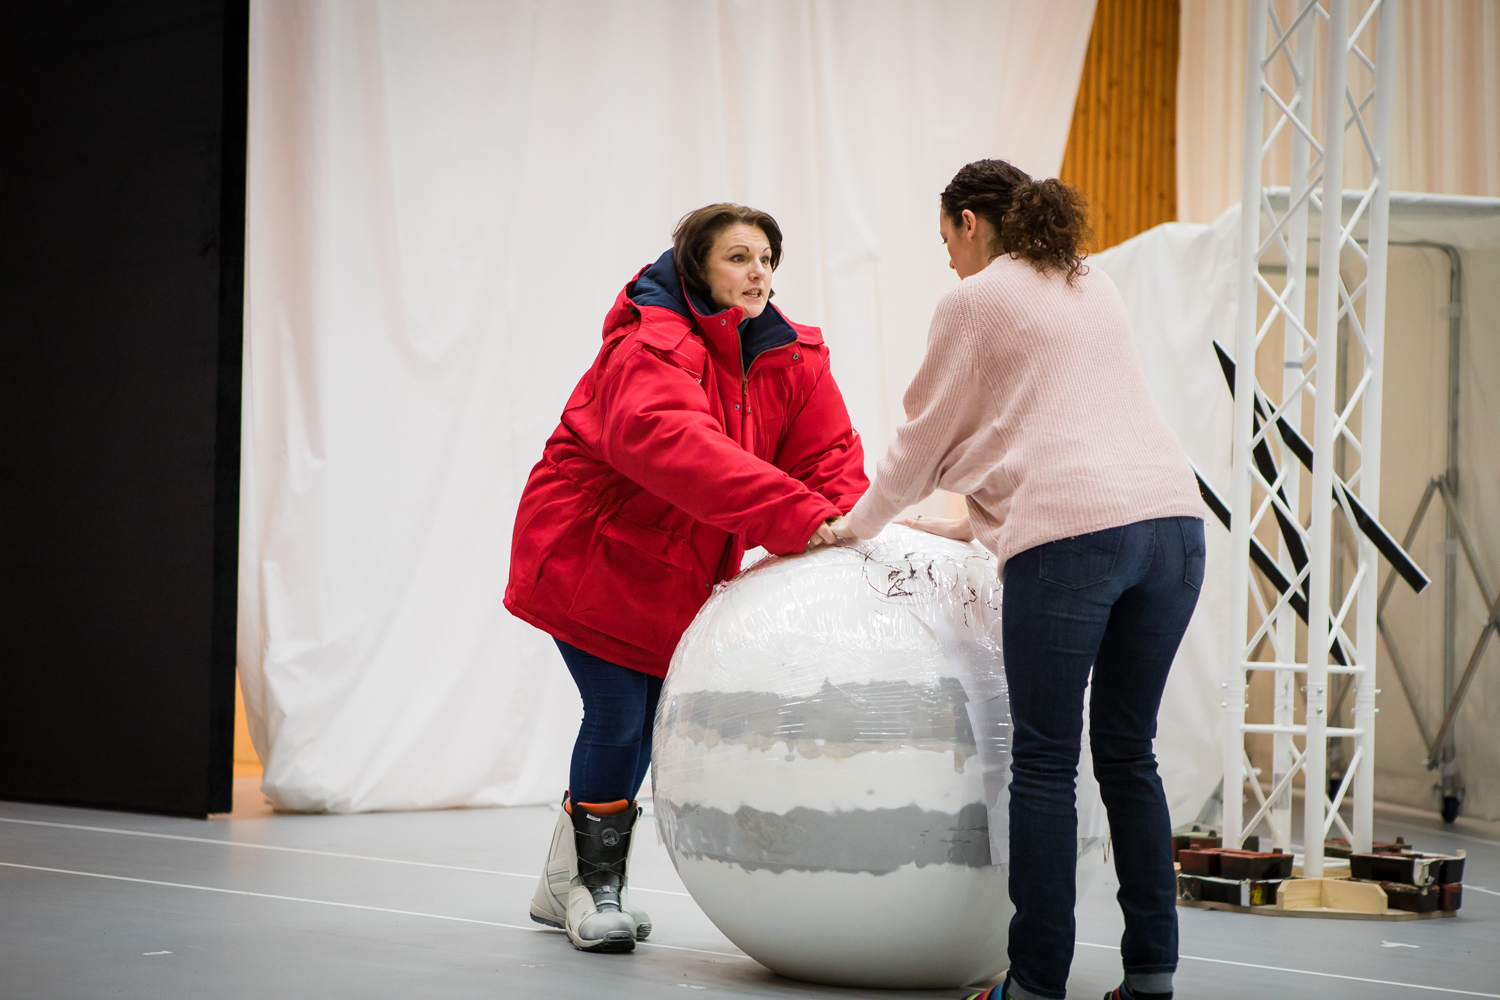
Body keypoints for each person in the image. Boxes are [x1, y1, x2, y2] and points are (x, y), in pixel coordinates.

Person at [830, 160, 1205, 1000]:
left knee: (1043, 762)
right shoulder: (1089, 279)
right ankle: (1151, 976)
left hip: (1074, 545)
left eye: (945, 243)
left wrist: (853, 526)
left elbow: (920, 441)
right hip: (1173, 531)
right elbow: (1064, 417)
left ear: (970, 222)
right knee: (1128, 754)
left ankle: (1033, 985)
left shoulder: (975, 298)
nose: (949, 264)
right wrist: (978, 518)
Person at [505, 203, 867, 953]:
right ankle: (595, 889)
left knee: (644, 725)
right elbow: (675, 445)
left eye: (766, 257)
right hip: (590, 555)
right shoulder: (650, 345)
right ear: (695, 267)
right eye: (737, 257)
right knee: (618, 715)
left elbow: (829, 458)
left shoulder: (789, 356)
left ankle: (565, 883)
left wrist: (849, 525)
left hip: (676, 567)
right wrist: (797, 517)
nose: (758, 271)